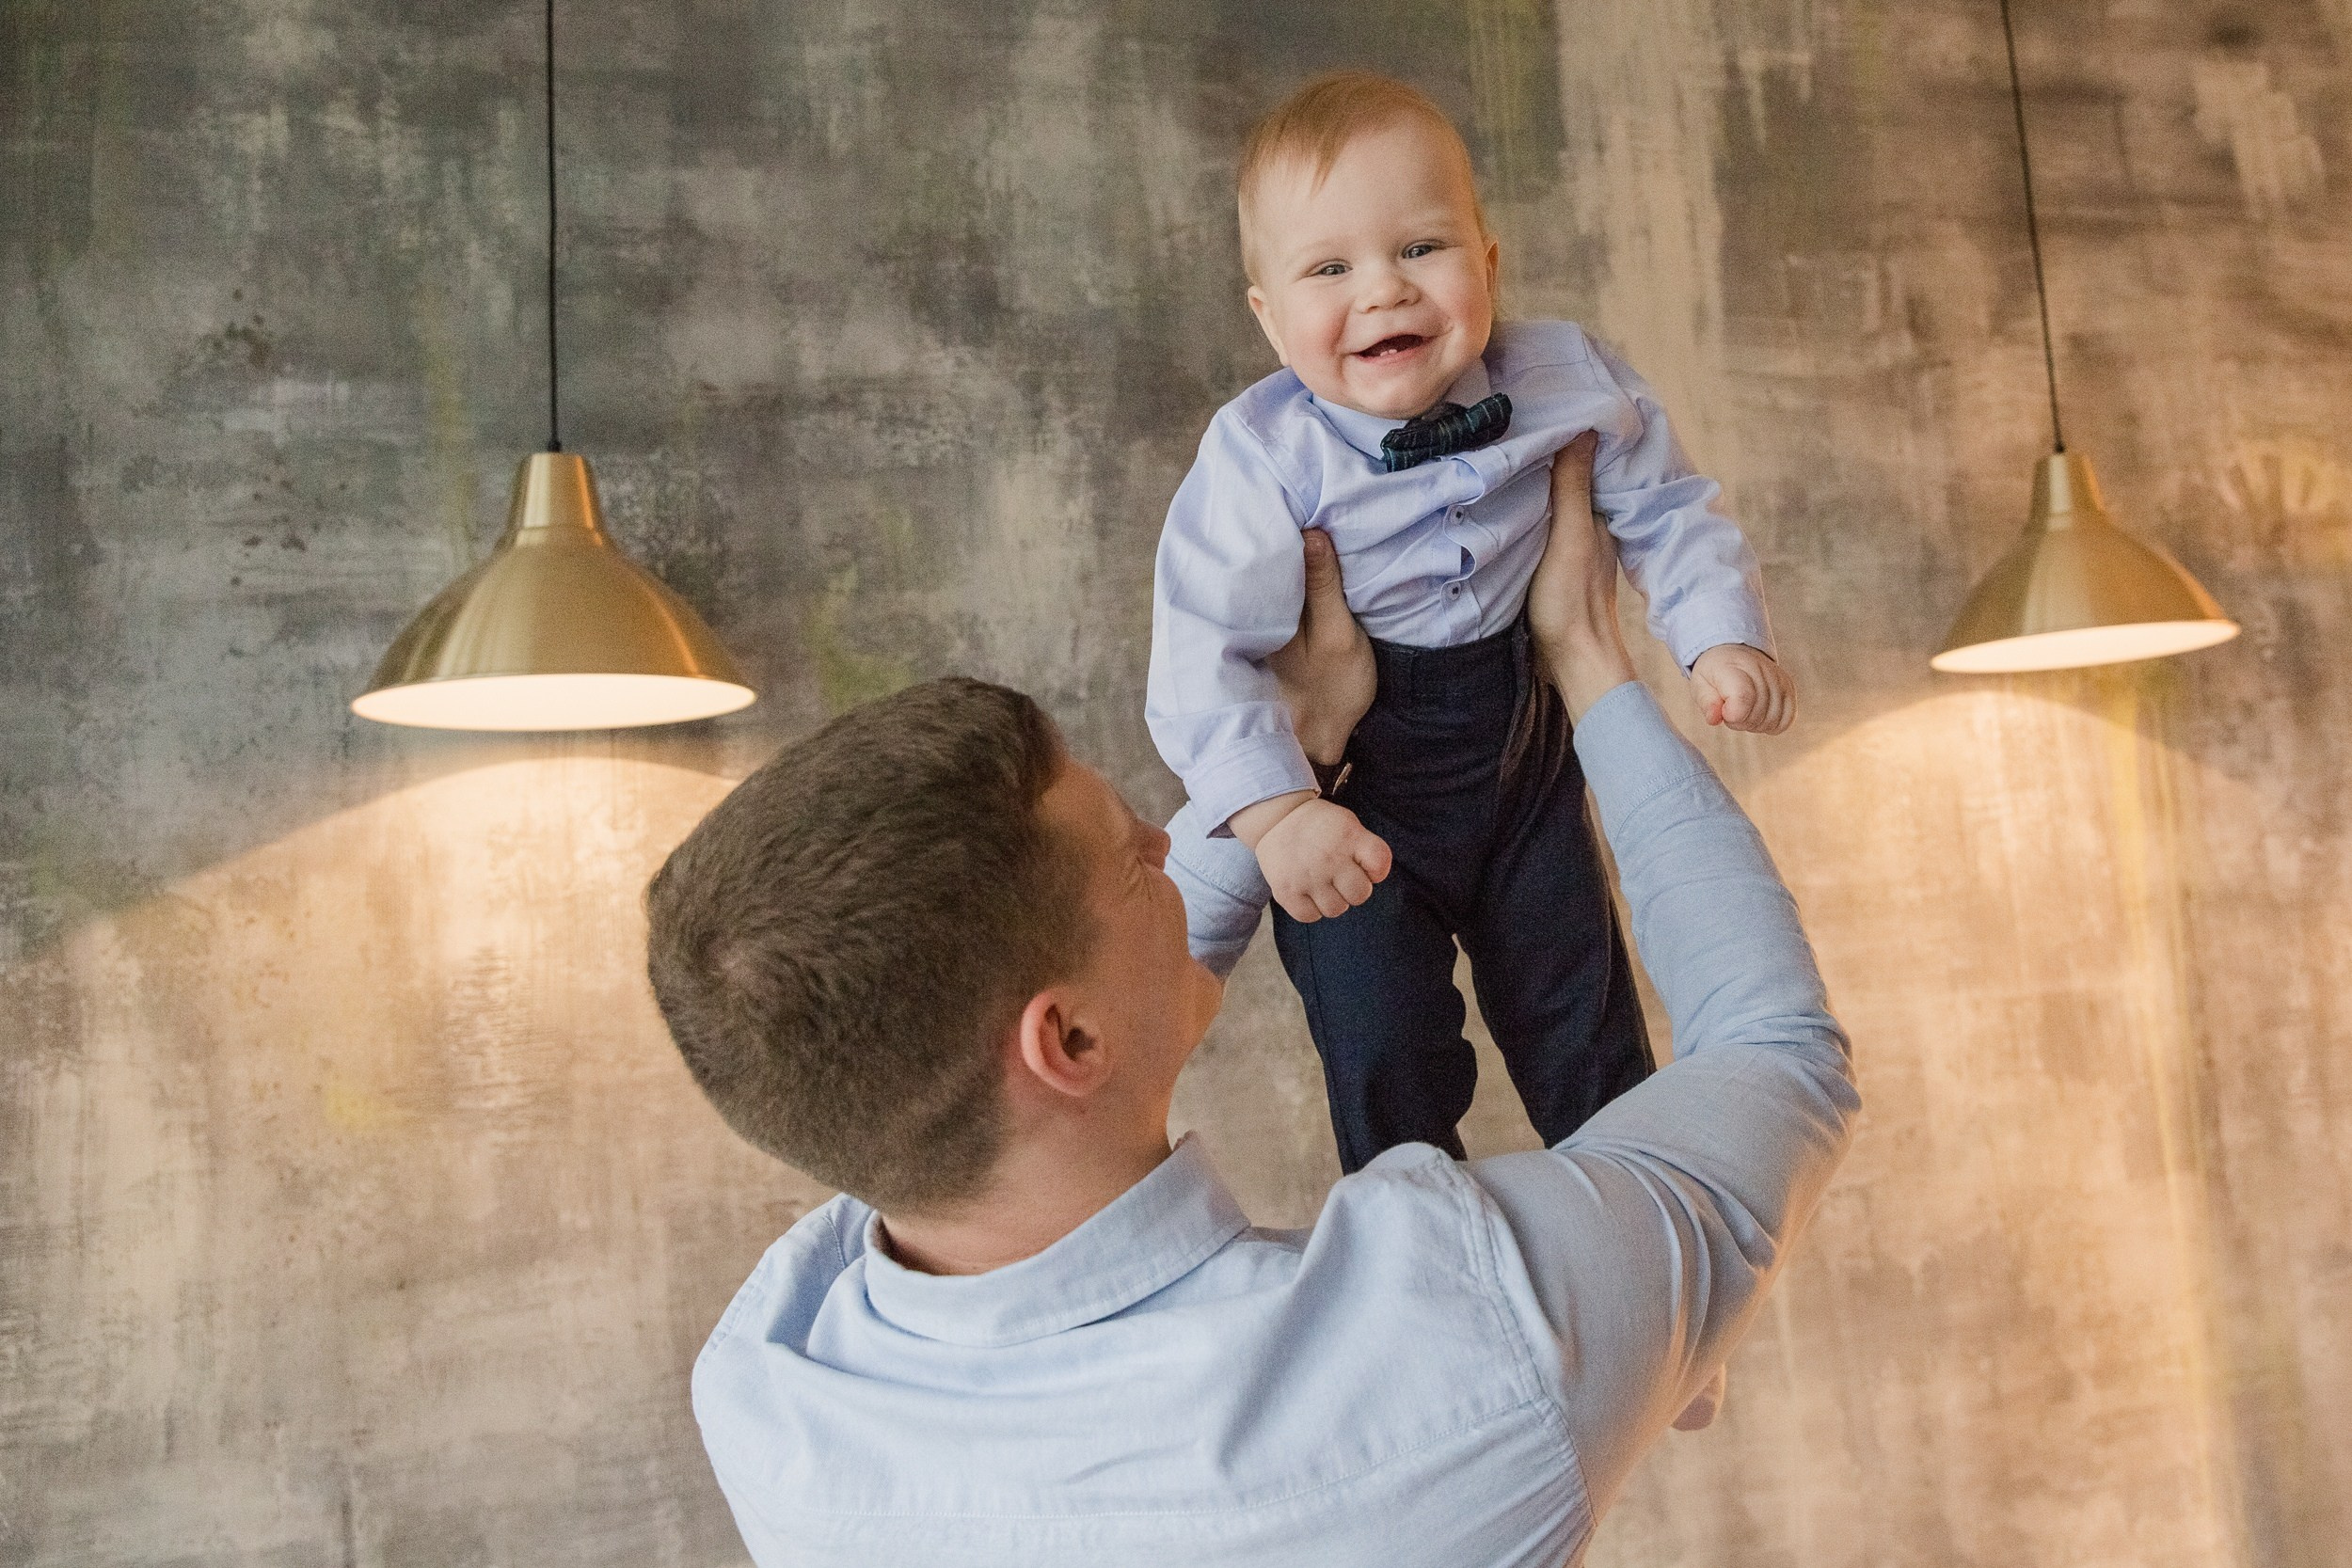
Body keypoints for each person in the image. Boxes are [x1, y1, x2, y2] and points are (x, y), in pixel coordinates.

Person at [645, 441, 1859, 1568]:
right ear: (1063, 1038)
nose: (1175, 848)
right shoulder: (1477, 1330)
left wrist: (1296, 754)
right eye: (1135, 857)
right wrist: (1591, 657)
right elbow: (1778, 1055)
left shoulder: (772, 1389)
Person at [1148, 71, 1795, 1186]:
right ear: (1265, 314)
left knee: (1584, 1019)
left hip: (1524, 760)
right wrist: (1275, 811)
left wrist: (1716, 636)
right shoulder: (1259, 458)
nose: (1383, 292)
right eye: (1328, 268)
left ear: (1487, 262)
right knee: (1380, 1043)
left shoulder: (1569, 380)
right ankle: (1415, 1249)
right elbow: (1200, 654)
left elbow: (1666, 508)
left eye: (1422, 247)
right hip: (1356, 795)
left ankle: (1638, 1230)